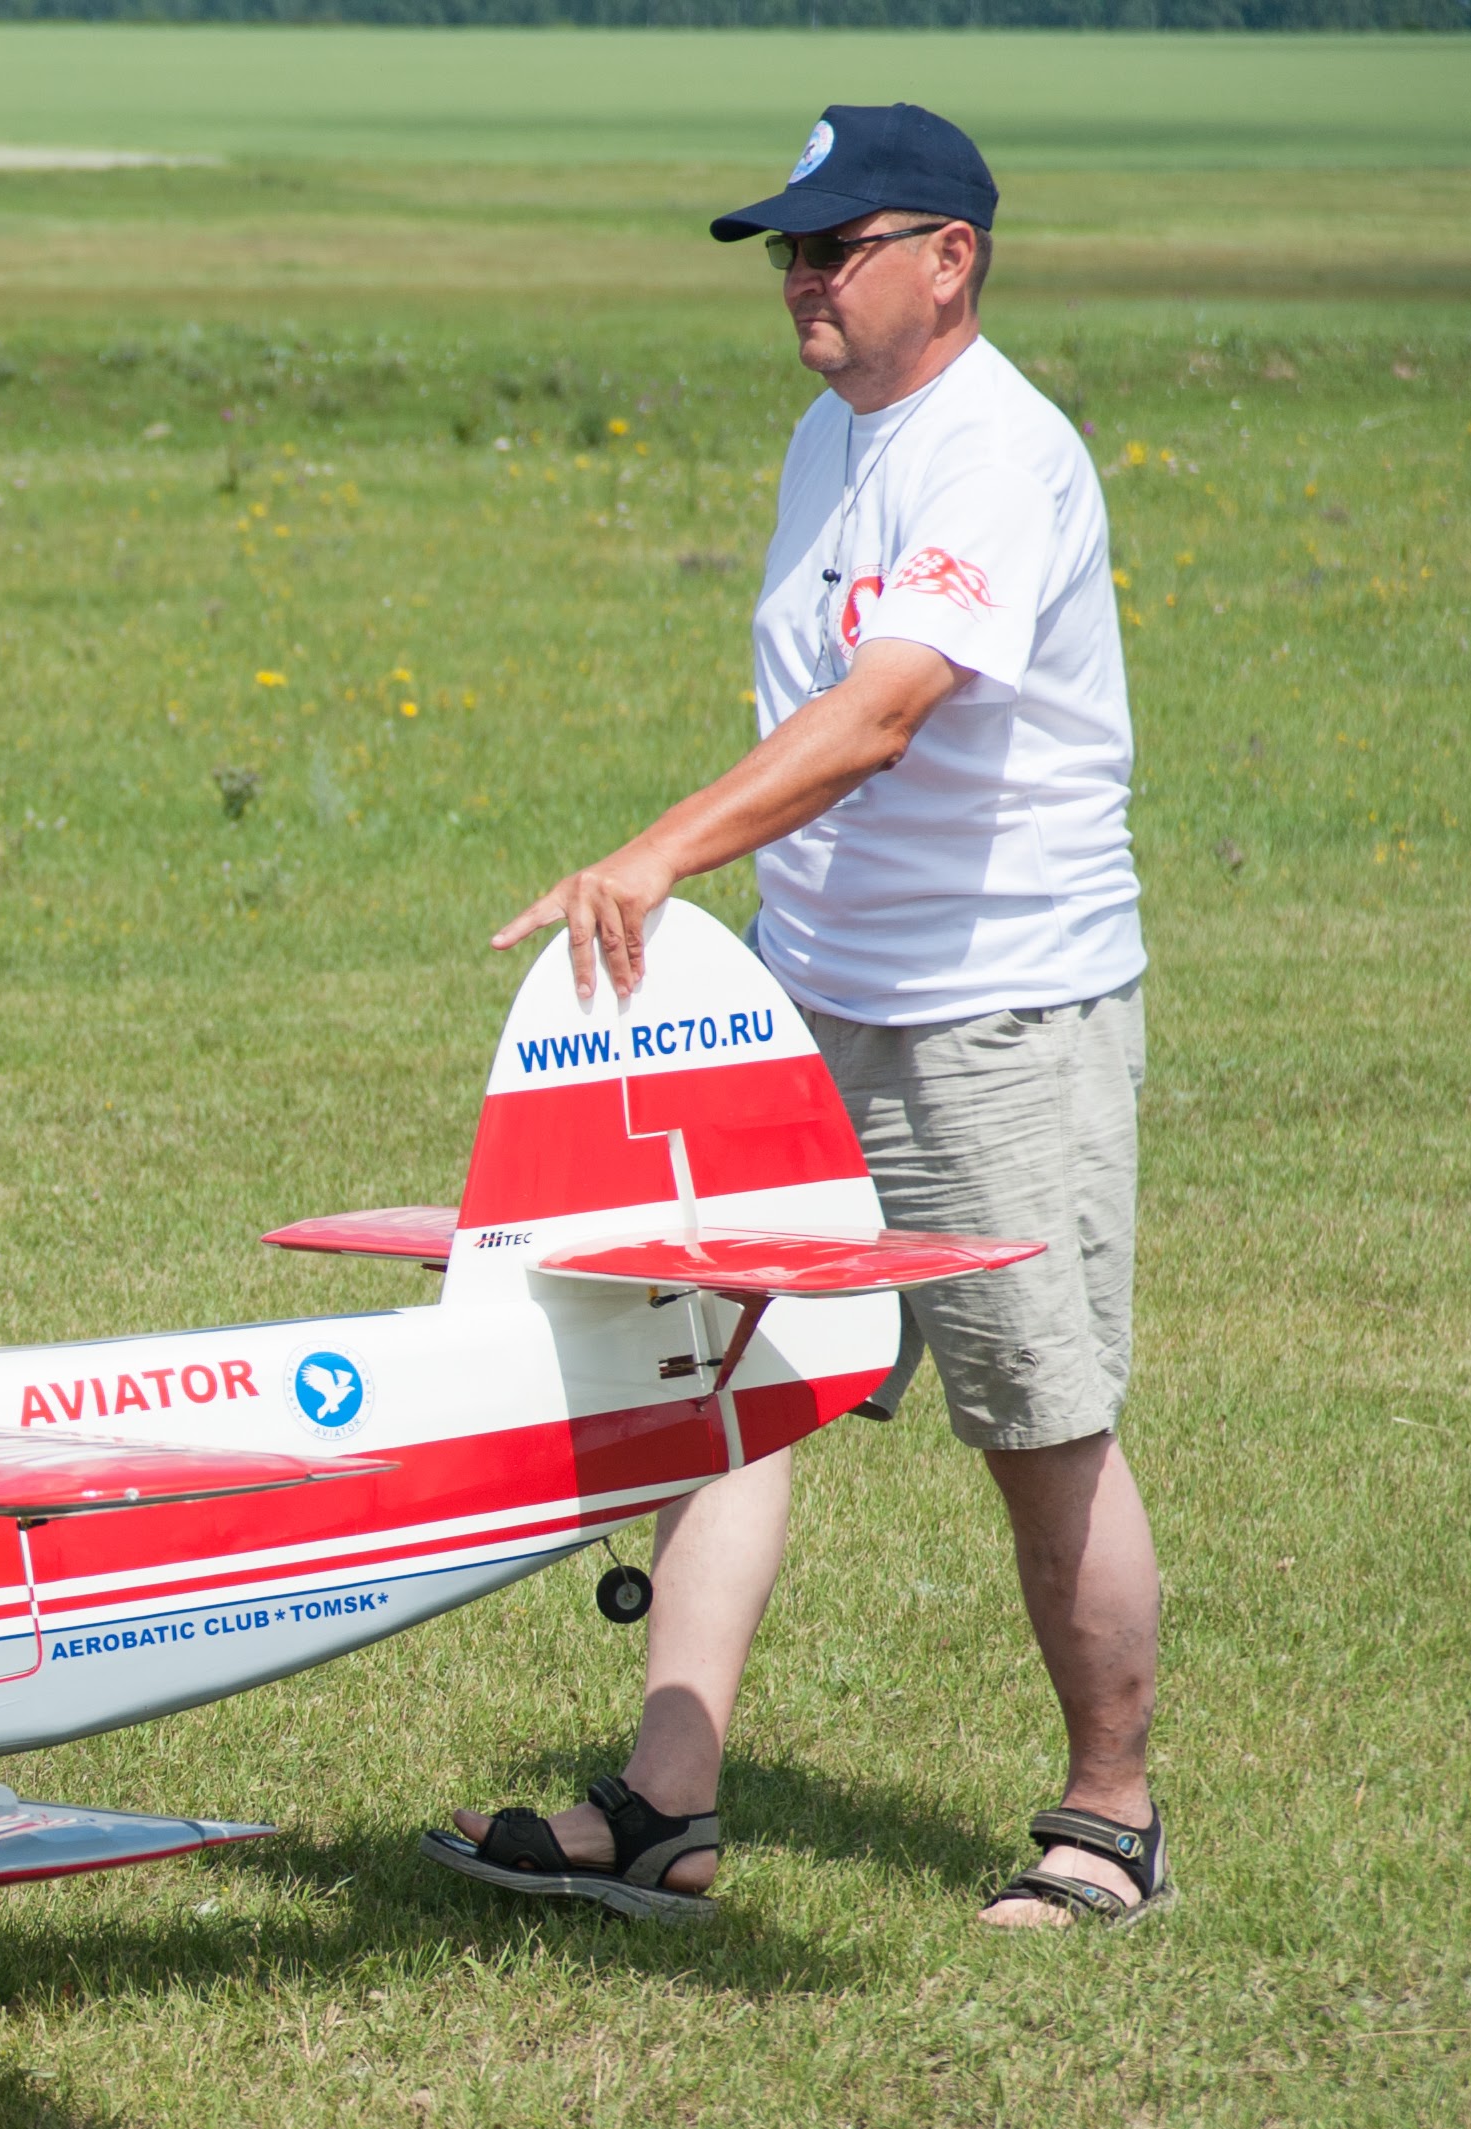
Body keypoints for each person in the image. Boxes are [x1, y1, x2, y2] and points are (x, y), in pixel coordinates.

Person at [422, 103, 1167, 1933]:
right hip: (806, 996)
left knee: (1035, 1415)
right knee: (724, 1389)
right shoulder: (834, 437)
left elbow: (885, 711)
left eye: (838, 247)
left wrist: (658, 854)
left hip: (992, 1012)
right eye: (788, 252)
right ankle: (663, 1807)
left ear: (952, 260)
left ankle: (1111, 1822)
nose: (801, 281)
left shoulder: (995, 451)